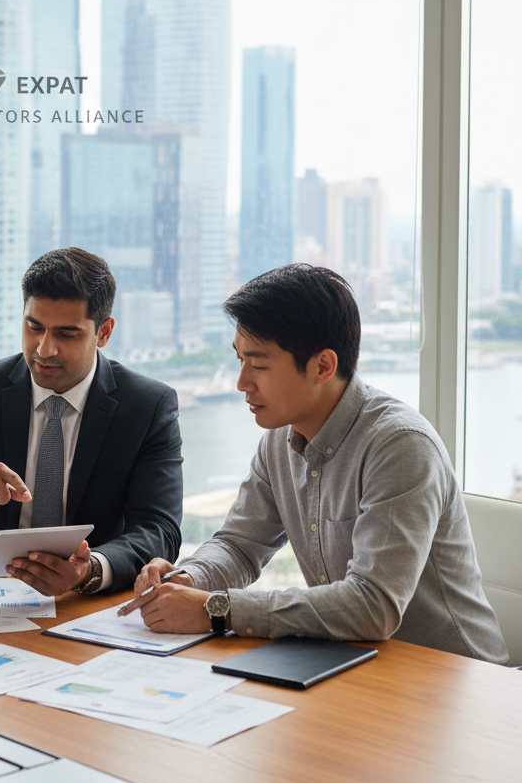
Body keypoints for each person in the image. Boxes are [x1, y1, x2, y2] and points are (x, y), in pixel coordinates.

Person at [121, 264, 508, 664]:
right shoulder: (278, 439)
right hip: (353, 665)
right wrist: (189, 579)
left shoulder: (400, 446)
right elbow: (240, 545)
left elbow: (373, 605)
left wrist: (216, 609)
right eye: (239, 360)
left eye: (259, 365)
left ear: (323, 366)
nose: (241, 382)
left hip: (457, 680)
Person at [0, 248, 184, 596]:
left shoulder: (147, 406)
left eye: (67, 334)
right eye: (34, 327)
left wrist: (88, 570)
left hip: (85, 602)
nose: (44, 349)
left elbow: (159, 529)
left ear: (103, 332)